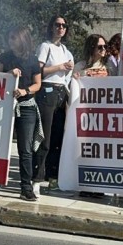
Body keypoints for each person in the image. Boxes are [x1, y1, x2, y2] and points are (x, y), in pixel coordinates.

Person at [0, 26, 42, 201]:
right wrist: (8, 73)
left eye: (14, 37)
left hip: (26, 107)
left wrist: (24, 90)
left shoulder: (33, 60)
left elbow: (38, 84)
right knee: (1, 146)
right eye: (9, 38)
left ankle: (26, 188)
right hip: (4, 106)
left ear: (22, 39)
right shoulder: (4, 58)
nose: (10, 41)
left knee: (25, 150)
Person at [34, 15, 74, 192]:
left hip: (61, 94)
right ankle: (36, 177)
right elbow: (38, 70)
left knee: (58, 137)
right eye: (57, 25)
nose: (61, 28)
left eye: (64, 25)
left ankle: (53, 176)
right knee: (45, 136)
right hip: (47, 91)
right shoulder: (45, 46)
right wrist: (59, 68)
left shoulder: (66, 50)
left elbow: (68, 76)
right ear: (51, 27)